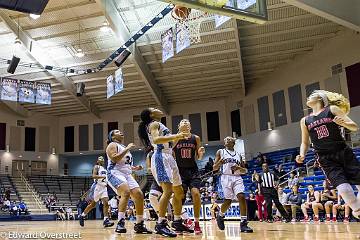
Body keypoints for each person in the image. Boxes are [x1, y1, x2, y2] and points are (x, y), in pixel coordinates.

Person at [296, 90, 360, 218]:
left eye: (311, 95)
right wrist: (301, 154)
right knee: (343, 189)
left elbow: (354, 126)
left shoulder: (332, 109)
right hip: (325, 158)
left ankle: (357, 210)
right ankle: (357, 211)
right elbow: (304, 142)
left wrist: (344, 123)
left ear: (320, 98)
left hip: (342, 151)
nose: (308, 97)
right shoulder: (305, 120)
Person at [138, 108, 191, 237]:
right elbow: (156, 140)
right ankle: (160, 223)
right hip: (160, 157)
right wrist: (177, 135)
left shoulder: (160, 125)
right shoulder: (153, 124)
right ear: (151, 114)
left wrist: (179, 135)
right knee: (167, 191)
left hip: (169, 157)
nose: (158, 109)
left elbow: (170, 144)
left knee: (179, 192)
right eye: (154, 108)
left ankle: (177, 221)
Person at [106, 129, 152, 234]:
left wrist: (136, 168)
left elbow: (126, 165)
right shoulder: (112, 145)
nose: (120, 131)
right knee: (125, 192)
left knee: (139, 195)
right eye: (117, 131)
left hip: (127, 174)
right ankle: (120, 223)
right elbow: (114, 159)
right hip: (114, 172)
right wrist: (127, 148)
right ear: (112, 137)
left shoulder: (124, 148)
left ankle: (140, 224)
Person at [213, 136, 253, 233]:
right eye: (226, 139)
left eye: (230, 139)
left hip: (237, 177)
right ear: (224, 143)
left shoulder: (238, 154)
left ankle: (243, 223)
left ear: (233, 143)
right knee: (228, 201)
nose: (227, 139)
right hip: (225, 177)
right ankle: (220, 215)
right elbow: (214, 168)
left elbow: (245, 171)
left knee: (241, 196)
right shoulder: (220, 152)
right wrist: (219, 163)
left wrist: (239, 167)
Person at [79, 156, 114, 228]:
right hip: (97, 187)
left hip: (104, 187)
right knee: (93, 205)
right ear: (97, 161)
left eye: (102, 160)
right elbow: (94, 176)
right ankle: (82, 216)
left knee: (106, 203)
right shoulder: (96, 167)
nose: (101, 161)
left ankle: (105, 220)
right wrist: (102, 177)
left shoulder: (105, 169)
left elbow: (107, 178)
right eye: (100, 160)